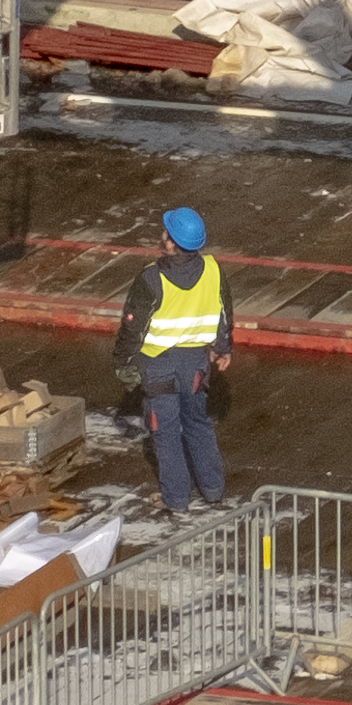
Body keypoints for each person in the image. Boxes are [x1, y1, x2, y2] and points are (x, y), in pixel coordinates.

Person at [114, 206, 230, 516]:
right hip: (196, 365)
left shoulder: (152, 277)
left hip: (159, 366)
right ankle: (213, 490)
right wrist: (223, 347)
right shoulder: (213, 270)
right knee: (199, 426)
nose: (161, 235)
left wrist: (124, 364)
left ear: (171, 243)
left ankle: (176, 499)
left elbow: (132, 325)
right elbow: (223, 312)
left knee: (165, 434)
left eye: (165, 232)